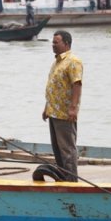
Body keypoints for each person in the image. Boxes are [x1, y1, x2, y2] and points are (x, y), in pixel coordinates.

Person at [42, 30, 82, 182]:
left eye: (56, 42)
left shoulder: (73, 61)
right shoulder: (56, 62)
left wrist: (73, 107)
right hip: (53, 112)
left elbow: (76, 84)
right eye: (52, 42)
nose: (53, 45)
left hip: (65, 113)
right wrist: (47, 107)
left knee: (67, 150)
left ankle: (72, 181)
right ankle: (63, 178)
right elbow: (53, 86)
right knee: (57, 150)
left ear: (66, 43)